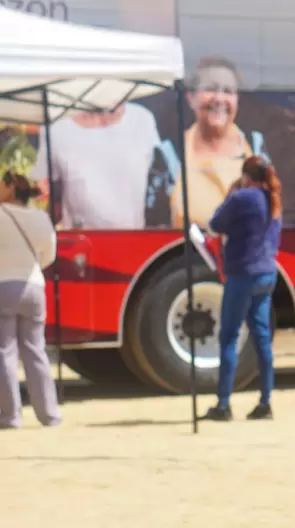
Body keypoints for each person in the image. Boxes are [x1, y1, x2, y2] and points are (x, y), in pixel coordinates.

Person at [201, 156, 283, 421]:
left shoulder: (241, 198)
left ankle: (223, 404)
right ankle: (265, 402)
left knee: (229, 336)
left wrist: (231, 193)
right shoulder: (273, 200)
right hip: (267, 273)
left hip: (242, 275)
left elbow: (214, 225)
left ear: (246, 176)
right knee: (262, 339)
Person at [169, 56, 269, 229]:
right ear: (190, 97)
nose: (219, 98)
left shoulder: (256, 145)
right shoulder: (168, 152)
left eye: (228, 91)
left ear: (237, 99)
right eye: (210, 88)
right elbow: (154, 226)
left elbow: (274, 209)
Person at [31, 102, 161, 229]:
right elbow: (52, 195)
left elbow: (155, 181)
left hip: (136, 239)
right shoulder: (56, 129)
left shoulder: (142, 119)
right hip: (81, 240)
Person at [0, 171, 61, 428]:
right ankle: (49, 415)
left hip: (3, 287)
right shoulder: (41, 217)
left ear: (11, 188)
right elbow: (49, 256)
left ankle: (11, 416)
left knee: (5, 352)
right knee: (36, 350)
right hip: (34, 287)